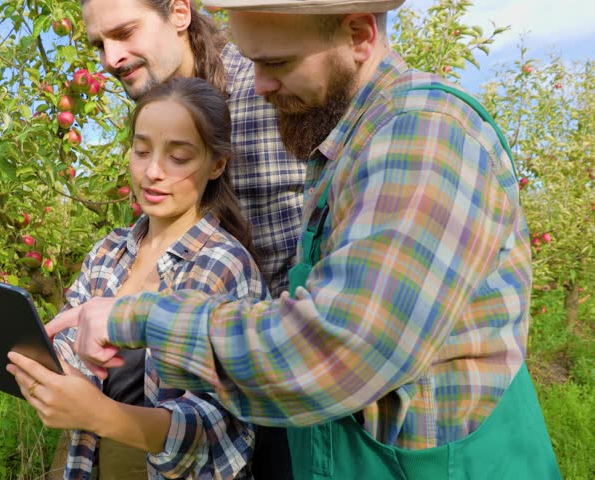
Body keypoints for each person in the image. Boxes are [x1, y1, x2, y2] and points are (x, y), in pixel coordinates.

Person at [48, 1, 562, 479]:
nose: (261, 86)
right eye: (253, 62)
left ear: (358, 35)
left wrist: (136, 315)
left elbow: (337, 347)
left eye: (277, 63)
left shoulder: (424, 138)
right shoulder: (347, 147)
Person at [79, 1, 301, 475]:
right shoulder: (163, 103)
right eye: (99, 44)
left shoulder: (268, 89)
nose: (109, 58)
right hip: (206, 375)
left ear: (179, 13)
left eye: (124, 33)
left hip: (285, 378)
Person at [7, 77, 267, 480]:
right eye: (141, 151)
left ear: (217, 164)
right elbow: (67, 344)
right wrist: (47, 371)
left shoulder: (223, 266)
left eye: (179, 157)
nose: (152, 172)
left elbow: (221, 428)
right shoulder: (108, 254)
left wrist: (100, 413)